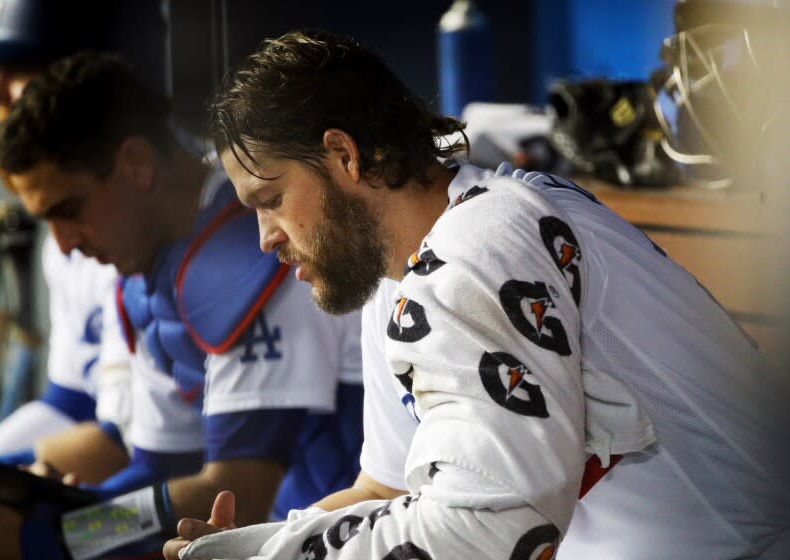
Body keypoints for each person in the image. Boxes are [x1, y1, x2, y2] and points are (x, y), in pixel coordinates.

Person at [165, 29, 790, 560]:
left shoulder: (484, 242)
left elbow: (491, 530)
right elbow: (384, 491)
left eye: (270, 201)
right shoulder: (402, 277)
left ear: (342, 155)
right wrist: (262, 542)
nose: (264, 238)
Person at [0, 51, 364, 559]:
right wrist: (46, 507)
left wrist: (49, 537)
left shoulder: (256, 246)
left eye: (69, 210)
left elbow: (239, 494)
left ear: (136, 164)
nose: (62, 244)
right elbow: (160, 467)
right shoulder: (153, 273)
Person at [0, 0, 170, 475]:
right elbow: (67, 401)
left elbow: (131, 445)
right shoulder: (66, 236)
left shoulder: (153, 228)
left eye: (19, 69)